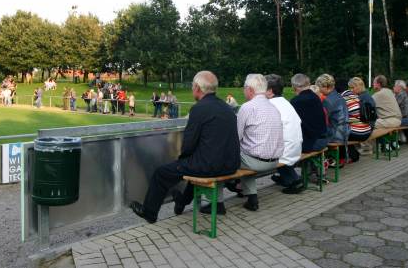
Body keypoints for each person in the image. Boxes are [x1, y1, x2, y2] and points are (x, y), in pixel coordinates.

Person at [129, 71, 240, 223]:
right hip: (231, 164)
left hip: (212, 166)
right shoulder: (227, 108)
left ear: (197, 88)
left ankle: (149, 213)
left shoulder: (199, 108)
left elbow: (189, 143)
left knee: (162, 173)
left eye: (193, 86)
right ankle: (181, 201)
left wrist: (181, 160)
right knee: (195, 167)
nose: (192, 89)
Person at [235, 74, 284, 211]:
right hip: (274, 161)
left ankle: (216, 201)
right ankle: (251, 197)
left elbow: (236, 137)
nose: (243, 91)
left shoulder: (247, 107)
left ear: (250, 89)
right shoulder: (273, 107)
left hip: (255, 162)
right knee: (246, 154)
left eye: (244, 88)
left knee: (221, 158)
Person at [263, 74, 303, 194]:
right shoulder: (285, 102)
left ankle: (244, 188)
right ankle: (291, 178)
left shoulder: (271, 105)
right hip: (296, 148)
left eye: (262, 89)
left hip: (285, 152)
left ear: (269, 91)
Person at [316, 74, 349, 144]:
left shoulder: (327, 101)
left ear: (326, 87)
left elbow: (321, 120)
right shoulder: (339, 97)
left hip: (336, 136)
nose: (318, 90)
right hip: (345, 133)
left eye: (319, 87)